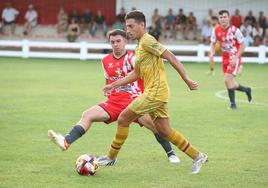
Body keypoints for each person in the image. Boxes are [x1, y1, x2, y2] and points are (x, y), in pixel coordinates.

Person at [97, 11, 208, 174]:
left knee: (123, 118)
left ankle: (111, 157)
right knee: (164, 130)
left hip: (155, 93)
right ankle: (198, 156)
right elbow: (136, 74)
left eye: (131, 26)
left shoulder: (148, 41)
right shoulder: (140, 46)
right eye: (126, 26)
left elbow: (171, 57)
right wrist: (113, 85)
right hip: (156, 93)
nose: (128, 30)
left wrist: (186, 79)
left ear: (142, 25)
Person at [48, 29, 180, 164]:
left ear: (125, 42)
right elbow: (109, 80)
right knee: (88, 114)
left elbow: (140, 74)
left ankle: (171, 154)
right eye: (112, 42)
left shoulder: (134, 58)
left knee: (156, 127)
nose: (115, 44)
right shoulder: (105, 60)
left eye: (118, 41)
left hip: (135, 102)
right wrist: (108, 90)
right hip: (115, 103)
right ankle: (65, 142)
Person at [209, 10, 252, 109]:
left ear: (228, 18)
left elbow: (243, 45)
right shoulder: (216, 30)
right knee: (229, 82)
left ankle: (233, 104)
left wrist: (236, 57)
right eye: (221, 17)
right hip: (224, 58)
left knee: (227, 79)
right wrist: (212, 52)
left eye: (225, 17)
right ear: (218, 19)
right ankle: (247, 90)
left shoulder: (235, 30)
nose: (223, 19)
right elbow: (212, 43)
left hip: (234, 57)